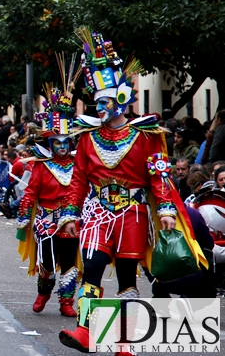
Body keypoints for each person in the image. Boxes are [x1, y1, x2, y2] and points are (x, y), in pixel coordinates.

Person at [58, 29, 204, 354]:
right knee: (92, 268)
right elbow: (79, 178)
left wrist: (165, 209)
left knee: (127, 279)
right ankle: (84, 330)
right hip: (97, 212)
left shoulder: (147, 135)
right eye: (96, 102)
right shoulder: (87, 135)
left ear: (121, 99)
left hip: (132, 213)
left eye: (104, 102)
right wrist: (70, 213)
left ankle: (124, 341)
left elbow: (159, 175)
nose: (99, 109)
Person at [15, 77, 80, 318]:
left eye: (65, 142)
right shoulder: (42, 166)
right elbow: (30, 192)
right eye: (57, 143)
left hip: (72, 219)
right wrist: (23, 216)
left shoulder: (77, 164)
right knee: (48, 263)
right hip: (46, 219)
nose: (62, 147)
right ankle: (44, 292)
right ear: (50, 143)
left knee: (71, 263)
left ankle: (66, 301)